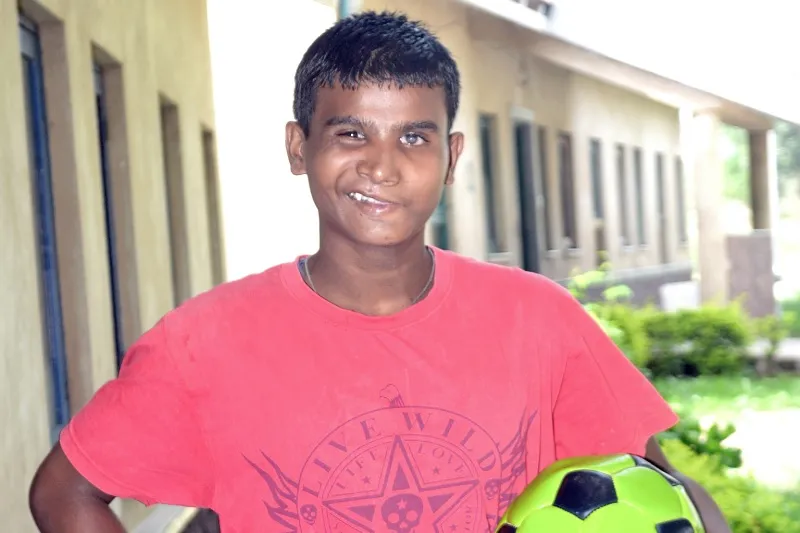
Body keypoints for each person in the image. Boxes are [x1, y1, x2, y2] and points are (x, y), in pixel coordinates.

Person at [29, 10, 730, 533]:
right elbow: (65, 492)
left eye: (414, 137)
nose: (381, 165)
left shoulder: (538, 319)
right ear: (298, 147)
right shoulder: (203, 342)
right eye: (351, 132)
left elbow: (662, 491)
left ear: (452, 157)